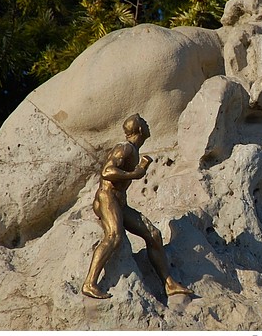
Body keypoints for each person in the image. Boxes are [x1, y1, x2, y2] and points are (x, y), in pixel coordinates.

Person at [82, 113, 193, 299]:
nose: (149, 126)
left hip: (119, 202)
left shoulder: (133, 150)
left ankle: (169, 284)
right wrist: (135, 174)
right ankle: (89, 283)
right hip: (107, 198)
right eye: (145, 123)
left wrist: (136, 171)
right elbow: (107, 171)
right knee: (114, 236)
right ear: (140, 130)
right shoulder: (125, 148)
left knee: (154, 234)